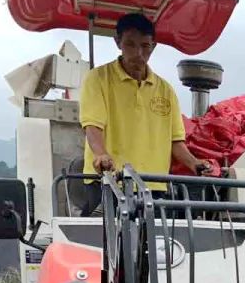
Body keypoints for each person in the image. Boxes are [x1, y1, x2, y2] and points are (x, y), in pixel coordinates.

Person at [78, 12, 215, 215]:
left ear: (154, 45)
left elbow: (175, 142)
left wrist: (195, 164)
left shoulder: (165, 90)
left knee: (155, 245)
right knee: (107, 245)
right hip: (108, 183)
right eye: (130, 45)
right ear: (118, 42)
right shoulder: (98, 79)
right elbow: (92, 126)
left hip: (155, 186)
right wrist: (101, 155)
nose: (138, 53)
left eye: (145, 46)